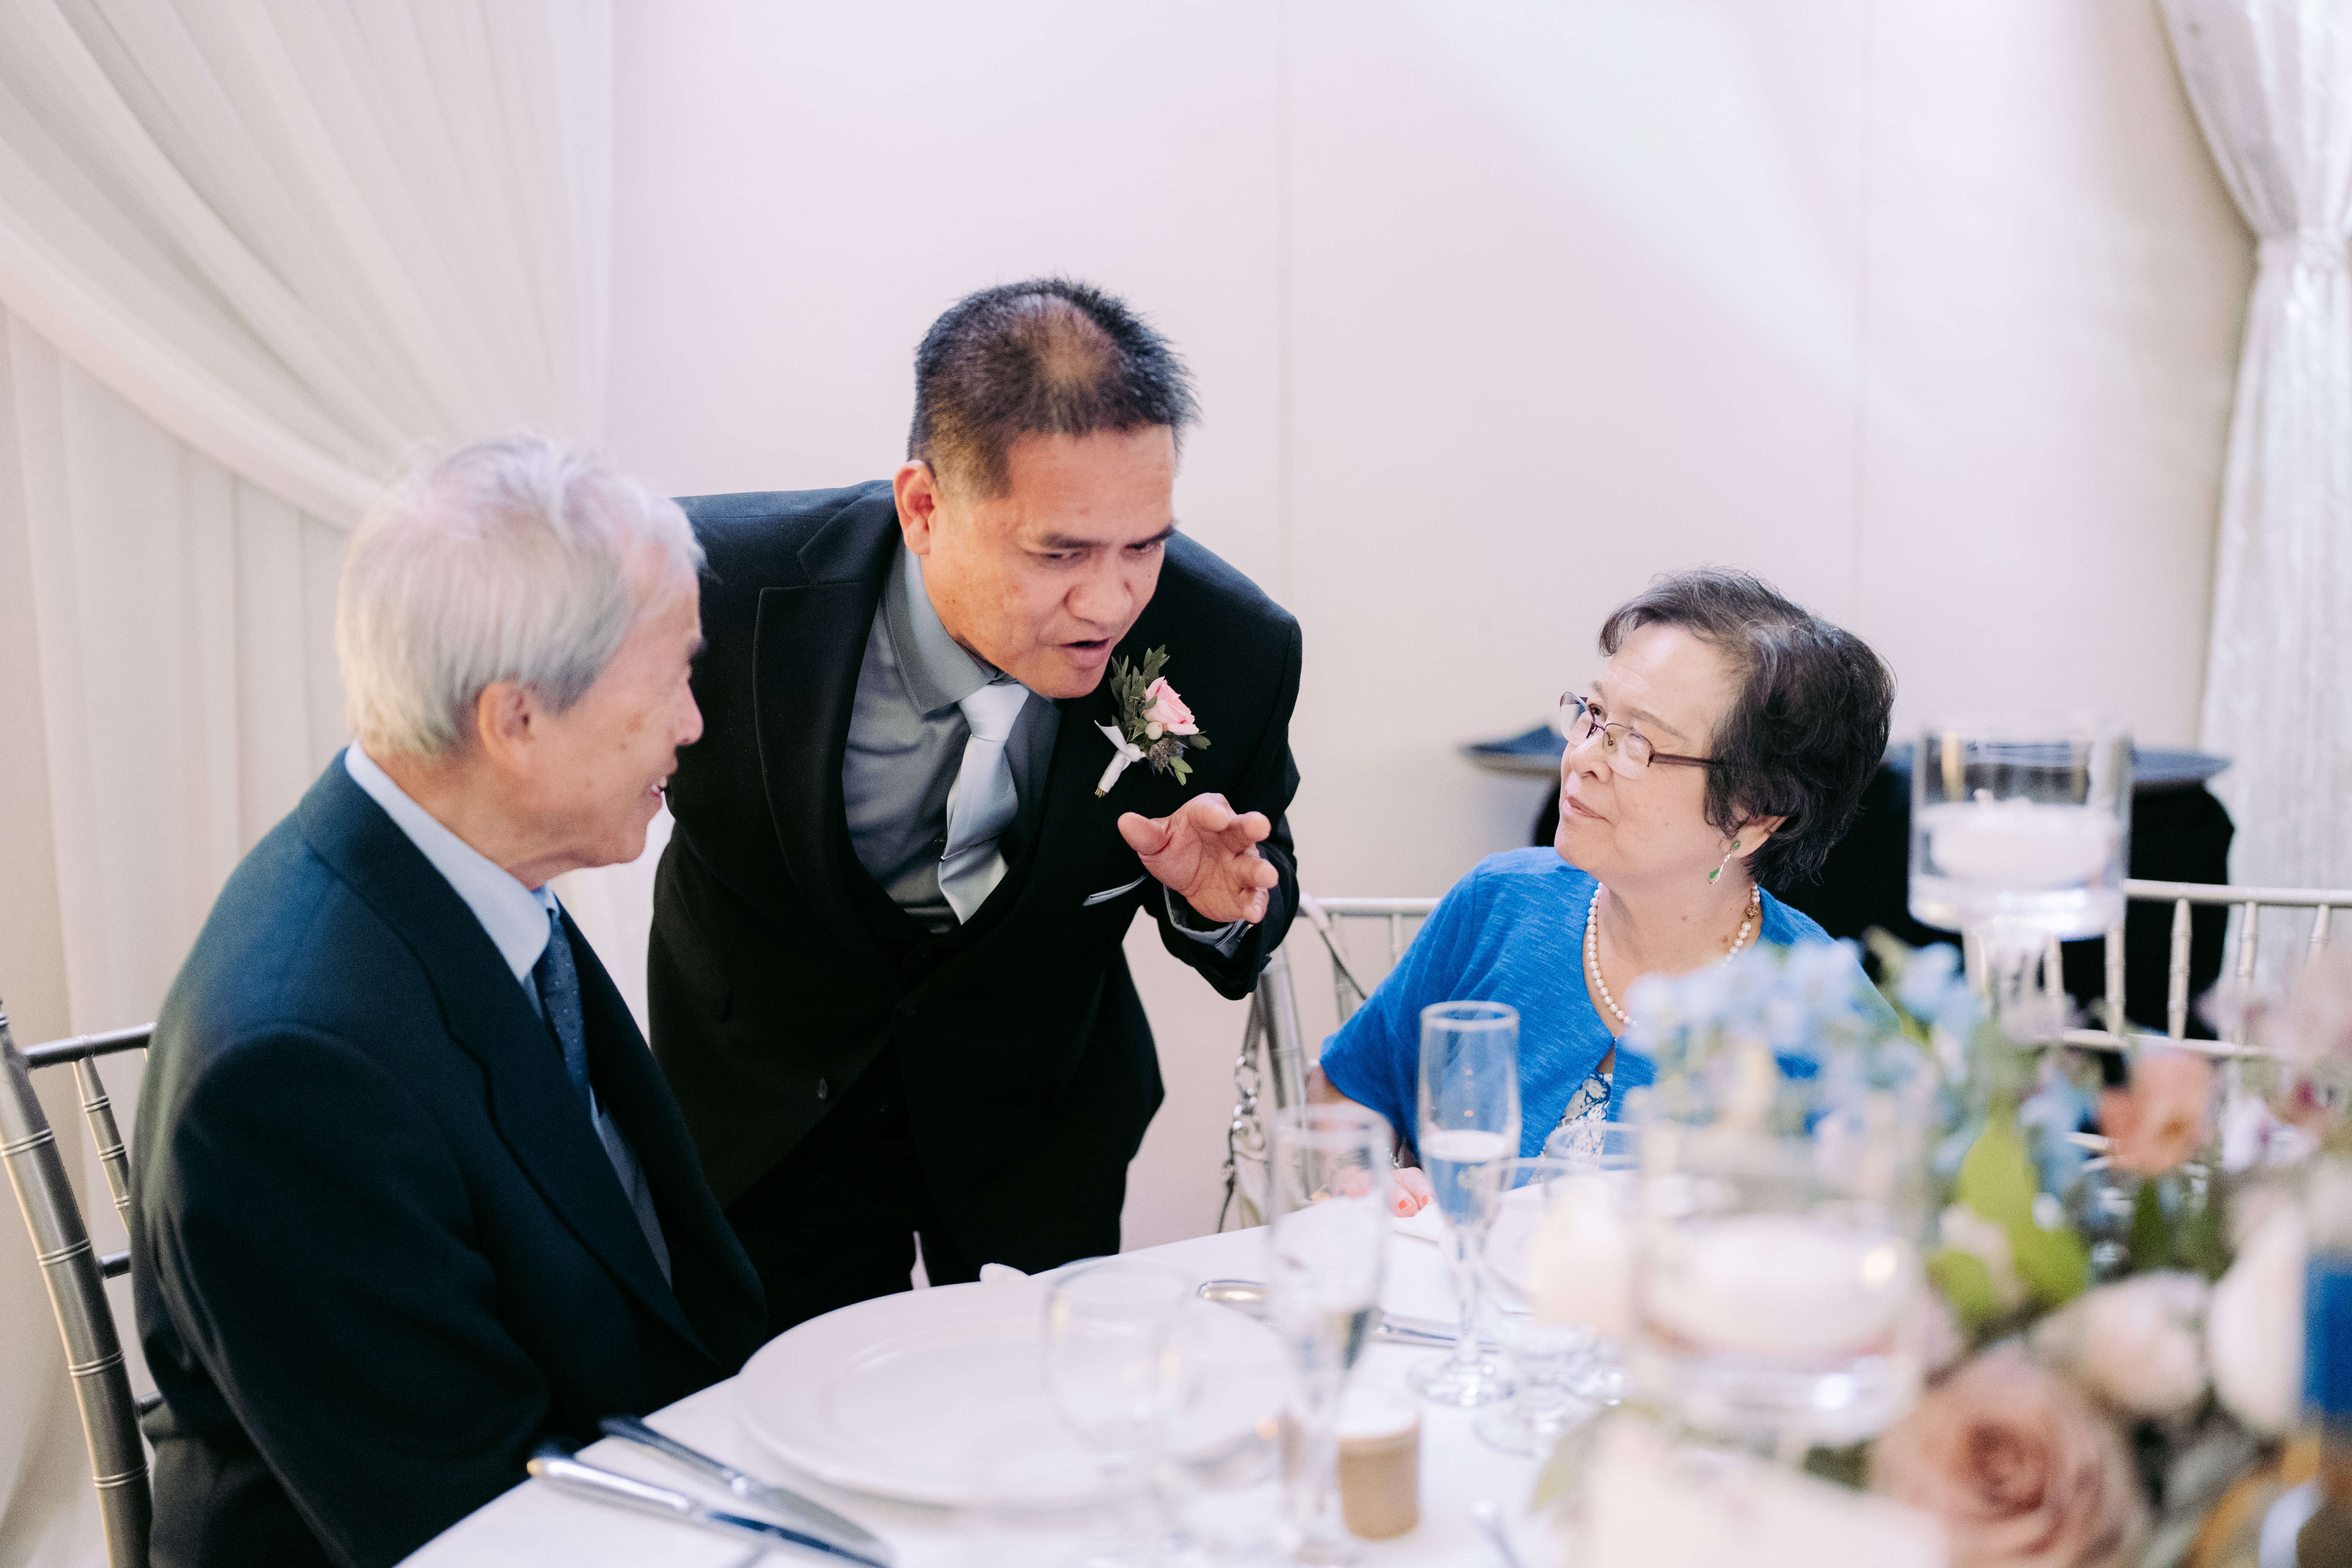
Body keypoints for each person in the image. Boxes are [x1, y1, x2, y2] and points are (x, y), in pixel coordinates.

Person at [130, 436, 766, 1568]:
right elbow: (468, 1525)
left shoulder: (473, 862)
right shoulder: (292, 1082)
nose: (693, 722)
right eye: (671, 679)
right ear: (516, 723)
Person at [650, 278, 1302, 1334]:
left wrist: (1215, 906)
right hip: (759, 1109)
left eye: (1145, 545)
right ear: (923, 507)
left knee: (1035, 1415)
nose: (1111, 602)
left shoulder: (1233, 645)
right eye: (1060, 553)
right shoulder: (705, 587)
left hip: (1032, 1122)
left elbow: (1258, 899)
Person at [1311, 569, 1898, 1205]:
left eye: (1637, 744)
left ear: (1755, 814)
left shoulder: (1826, 1018)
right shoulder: (1499, 903)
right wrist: (1366, 1179)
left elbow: (1892, 1225)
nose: (1584, 758)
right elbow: (1347, 1089)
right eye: (1594, 715)